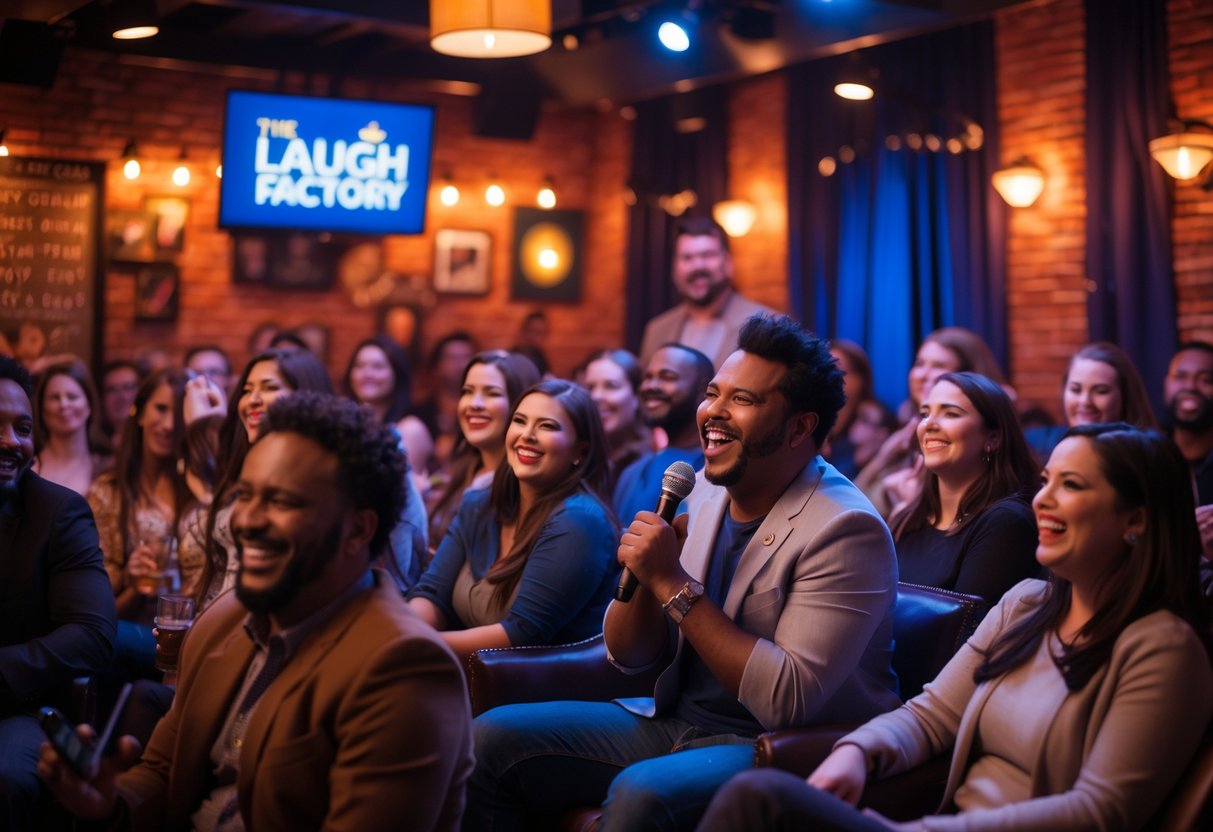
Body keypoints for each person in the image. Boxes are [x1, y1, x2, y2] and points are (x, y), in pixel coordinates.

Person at [465, 315, 900, 831]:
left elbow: (787, 700)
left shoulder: (847, 528)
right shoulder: (701, 487)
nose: (713, 412)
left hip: (773, 748)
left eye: (743, 400)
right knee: (489, 738)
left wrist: (672, 584)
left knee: (642, 792)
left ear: (800, 427)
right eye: (713, 393)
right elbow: (629, 655)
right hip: (675, 719)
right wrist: (646, 582)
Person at [697, 423, 1213, 832]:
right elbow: (932, 714)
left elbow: (1100, 812)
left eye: (1071, 486)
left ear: (1137, 520)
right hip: (943, 820)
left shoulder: (1162, 647)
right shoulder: (1027, 604)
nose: (1042, 500)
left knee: (759, 799)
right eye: (1046, 481)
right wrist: (855, 752)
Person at [38, 393, 475, 831]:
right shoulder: (223, 619)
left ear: (358, 530)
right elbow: (163, 773)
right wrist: (108, 800)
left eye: (281, 501)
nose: (246, 520)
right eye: (245, 495)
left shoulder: (405, 668)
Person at [409, 380, 619, 659]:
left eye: (547, 426)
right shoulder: (478, 505)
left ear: (579, 452)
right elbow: (433, 592)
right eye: (520, 421)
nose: (527, 435)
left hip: (543, 688)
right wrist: (407, 634)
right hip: (464, 673)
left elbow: (523, 634)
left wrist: (416, 646)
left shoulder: (580, 521)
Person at [0, 356, 116, 829]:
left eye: (23, 427)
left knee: (5, 777)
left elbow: (93, 633)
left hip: (15, 708)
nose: (10, 441)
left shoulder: (58, 512)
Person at [191, 348, 334, 609]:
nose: (253, 400)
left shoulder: (319, 481)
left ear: (305, 397)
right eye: (247, 390)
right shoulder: (243, 465)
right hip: (210, 629)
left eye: (269, 388)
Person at [890, 372, 1039, 604]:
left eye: (950, 413)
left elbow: (967, 633)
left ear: (993, 438)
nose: (929, 424)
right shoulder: (906, 520)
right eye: (925, 413)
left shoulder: (1006, 523)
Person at [86, 369, 192, 677]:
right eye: (161, 408)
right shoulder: (108, 492)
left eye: (181, 413)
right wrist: (133, 586)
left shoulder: (200, 490)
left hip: (197, 632)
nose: (170, 424)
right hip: (135, 630)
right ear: (140, 412)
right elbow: (95, 617)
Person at [856, 327, 1007, 517]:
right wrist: (885, 455)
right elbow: (853, 504)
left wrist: (907, 508)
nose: (923, 375)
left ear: (968, 376)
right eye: (919, 364)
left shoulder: (962, 448)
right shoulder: (905, 432)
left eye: (938, 366)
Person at [427, 351, 541, 549]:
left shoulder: (522, 487)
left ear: (519, 405)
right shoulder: (461, 468)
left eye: (492, 393)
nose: (475, 404)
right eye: (467, 391)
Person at [639, 217, 777, 370]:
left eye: (707, 255)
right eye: (687, 257)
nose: (698, 266)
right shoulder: (657, 330)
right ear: (674, 269)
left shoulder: (768, 326)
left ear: (728, 263)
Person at [613, 343, 714, 526]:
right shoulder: (631, 472)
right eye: (648, 377)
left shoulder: (712, 471)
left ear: (703, 391)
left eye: (667, 377)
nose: (651, 386)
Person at [1025, 341, 1157, 460]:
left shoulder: (1148, 454)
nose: (1085, 401)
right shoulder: (1040, 444)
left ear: (1125, 395)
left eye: (1100, 391)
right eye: (1076, 389)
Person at [343, 334, 434, 492]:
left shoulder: (410, 429)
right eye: (359, 366)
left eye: (377, 367)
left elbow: (403, 493)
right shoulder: (345, 423)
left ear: (397, 374)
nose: (367, 374)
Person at [32, 359, 110, 496]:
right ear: (41, 407)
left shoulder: (109, 466)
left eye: (72, 397)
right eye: (54, 398)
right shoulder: (29, 467)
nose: (64, 405)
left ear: (89, 405)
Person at [583, 348, 653, 485]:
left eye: (611, 386)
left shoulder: (651, 463)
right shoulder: (577, 458)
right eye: (590, 387)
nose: (596, 396)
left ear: (636, 396)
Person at [825, 340, 875, 479]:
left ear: (861, 380)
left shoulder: (873, 422)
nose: (829, 378)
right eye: (824, 370)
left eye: (837, 371)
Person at [99, 360, 141, 452]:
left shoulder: (151, 445)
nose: (122, 396)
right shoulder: (94, 450)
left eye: (129, 387)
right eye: (112, 390)